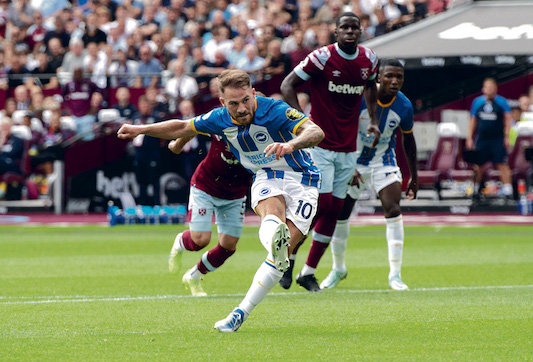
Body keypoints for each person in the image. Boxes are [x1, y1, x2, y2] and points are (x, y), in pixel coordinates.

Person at [117, 69, 324, 332]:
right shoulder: (219, 119)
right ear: (223, 102)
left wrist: (292, 145)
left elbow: (315, 131)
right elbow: (182, 127)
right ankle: (239, 313)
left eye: (245, 100)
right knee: (271, 218)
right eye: (233, 104)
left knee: (278, 255)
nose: (241, 109)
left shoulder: (274, 110)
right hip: (266, 175)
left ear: (252, 93)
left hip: (304, 179)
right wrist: (140, 129)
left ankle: (242, 311)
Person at [280, 11, 380, 292]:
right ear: (335, 32)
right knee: (321, 206)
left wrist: (373, 119)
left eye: (354, 28)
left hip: (348, 148)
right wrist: (301, 123)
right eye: (344, 27)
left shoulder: (369, 59)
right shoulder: (321, 57)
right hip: (319, 146)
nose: (349, 32)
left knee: (335, 211)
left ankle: (307, 272)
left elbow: (371, 85)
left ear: (360, 31)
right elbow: (287, 84)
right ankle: (289, 257)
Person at [318, 59, 418, 291]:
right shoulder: (359, 99)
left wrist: (414, 175)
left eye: (399, 77)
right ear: (379, 77)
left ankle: (395, 274)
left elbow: (408, 140)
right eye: (389, 76)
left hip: (384, 162)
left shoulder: (404, 105)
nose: (395, 81)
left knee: (393, 208)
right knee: (341, 213)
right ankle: (338, 268)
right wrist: (346, 164)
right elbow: (340, 130)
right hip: (353, 162)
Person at [166, 127, 252, 297]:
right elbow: (192, 127)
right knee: (200, 240)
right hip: (205, 187)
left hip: (235, 195)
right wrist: (178, 144)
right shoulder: (222, 121)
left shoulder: (266, 131)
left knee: (228, 246)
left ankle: (194, 276)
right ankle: (181, 242)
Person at [466, 77, 513, 199]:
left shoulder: (502, 102)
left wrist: (507, 136)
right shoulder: (477, 102)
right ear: (483, 89)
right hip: (482, 139)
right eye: (488, 87)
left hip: (497, 139)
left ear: (496, 89)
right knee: (478, 165)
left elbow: (508, 120)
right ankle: (475, 189)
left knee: (502, 164)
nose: (490, 90)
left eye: (492, 88)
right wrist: (470, 138)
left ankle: (508, 191)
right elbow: (473, 121)